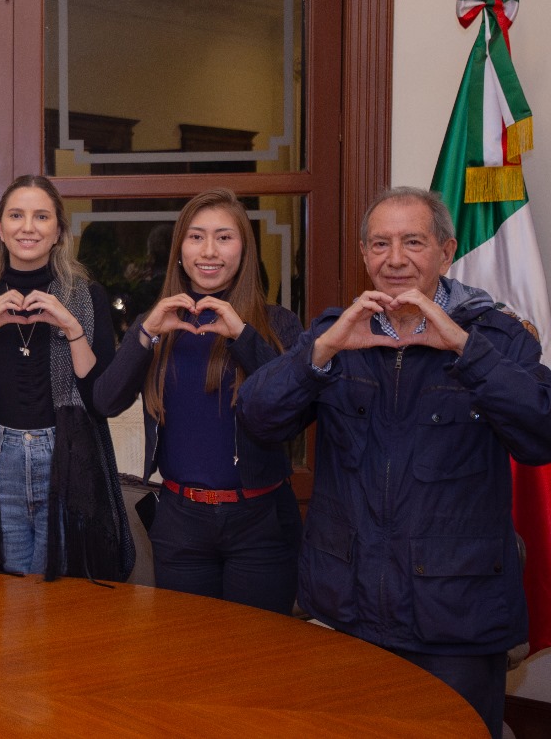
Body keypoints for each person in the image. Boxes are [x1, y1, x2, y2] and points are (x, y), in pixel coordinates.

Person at [237, 187, 551, 737]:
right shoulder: (338, 333)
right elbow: (258, 418)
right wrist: (320, 353)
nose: (395, 258)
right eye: (380, 244)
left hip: (457, 619)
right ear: (364, 254)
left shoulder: (496, 338)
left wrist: (465, 350)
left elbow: (541, 435)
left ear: (447, 252)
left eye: (413, 242)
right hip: (348, 610)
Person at [92, 188, 302, 613]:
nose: (209, 251)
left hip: (260, 522)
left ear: (244, 249)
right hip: (180, 523)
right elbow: (106, 401)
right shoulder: (158, 324)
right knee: (189, 647)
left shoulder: (277, 323)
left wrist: (242, 336)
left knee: (259, 648)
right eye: (196, 237)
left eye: (224, 237)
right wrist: (145, 332)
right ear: (179, 250)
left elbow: (291, 412)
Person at [0, 175, 133, 582]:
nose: (28, 227)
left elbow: (100, 402)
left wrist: (71, 327)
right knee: (4, 595)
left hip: (68, 457)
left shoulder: (86, 296)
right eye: (16, 216)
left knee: (62, 593)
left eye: (41, 216)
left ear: (58, 231)